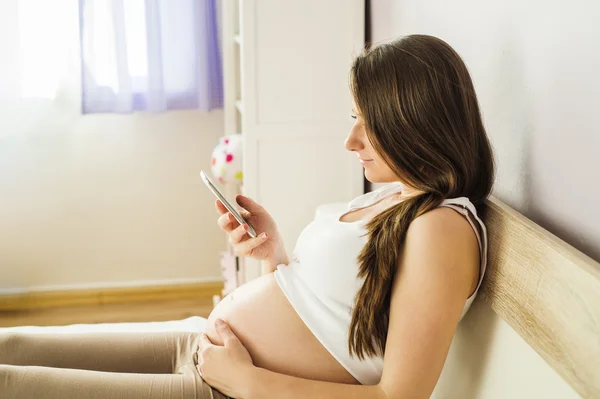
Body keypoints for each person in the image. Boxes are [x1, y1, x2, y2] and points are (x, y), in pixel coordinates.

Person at [0, 34, 494, 399]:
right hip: (207, 347)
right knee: (14, 346)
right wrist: (272, 254)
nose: (351, 141)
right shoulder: (391, 196)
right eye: (353, 120)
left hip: (224, 388)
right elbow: (328, 314)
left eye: (371, 125)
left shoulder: (442, 228)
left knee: (12, 383)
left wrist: (247, 381)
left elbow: (398, 396)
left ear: (415, 123)